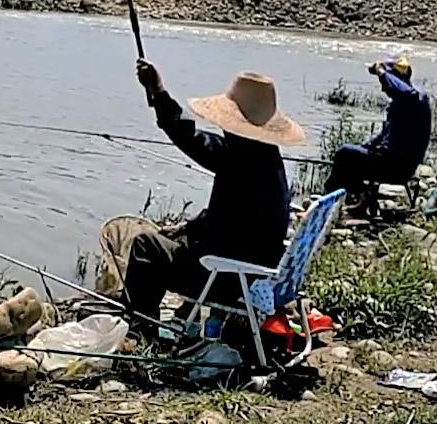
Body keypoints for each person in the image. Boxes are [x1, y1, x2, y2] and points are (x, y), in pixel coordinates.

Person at [123, 60, 304, 327]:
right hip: (256, 273)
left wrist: (158, 92)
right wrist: (186, 229)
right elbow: (232, 217)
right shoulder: (266, 158)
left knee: (145, 246)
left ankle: (139, 328)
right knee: (172, 239)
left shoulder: (238, 159)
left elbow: (190, 137)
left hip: (226, 279)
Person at [324, 57, 433, 200]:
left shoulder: (414, 100)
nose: (383, 88)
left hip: (396, 168)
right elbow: (383, 137)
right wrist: (364, 147)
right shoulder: (404, 104)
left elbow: (406, 93)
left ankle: (334, 198)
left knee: (343, 153)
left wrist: (381, 72)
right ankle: (357, 199)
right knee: (352, 155)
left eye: (385, 83)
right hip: (391, 162)